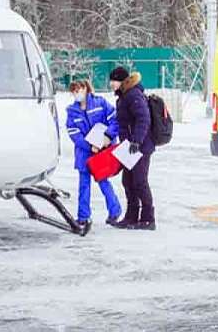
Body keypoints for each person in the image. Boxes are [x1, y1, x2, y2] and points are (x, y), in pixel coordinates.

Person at [65, 80, 123, 229]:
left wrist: (106, 138)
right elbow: (74, 134)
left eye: (79, 89)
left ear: (86, 88)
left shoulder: (100, 103)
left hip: (101, 154)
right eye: (74, 91)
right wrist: (89, 146)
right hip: (84, 154)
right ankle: (83, 217)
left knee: (104, 183)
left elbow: (115, 121)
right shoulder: (72, 112)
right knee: (84, 186)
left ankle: (114, 212)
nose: (77, 93)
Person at [109, 66, 156, 230]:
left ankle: (148, 218)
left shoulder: (133, 94)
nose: (111, 84)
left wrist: (136, 141)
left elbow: (143, 119)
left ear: (122, 81)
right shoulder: (124, 96)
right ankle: (131, 216)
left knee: (140, 181)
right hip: (128, 146)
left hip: (140, 146)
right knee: (127, 181)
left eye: (114, 81)